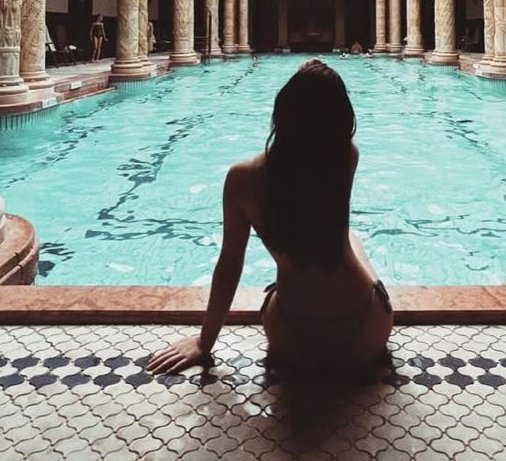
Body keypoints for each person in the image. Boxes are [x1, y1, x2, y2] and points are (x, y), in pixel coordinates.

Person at [148, 60, 393, 379]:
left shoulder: (242, 178)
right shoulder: (346, 157)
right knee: (352, 239)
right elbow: (322, 125)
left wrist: (204, 343)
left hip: (292, 338)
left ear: (281, 113)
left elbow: (229, 267)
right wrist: (319, 80)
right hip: (365, 332)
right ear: (342, 119)